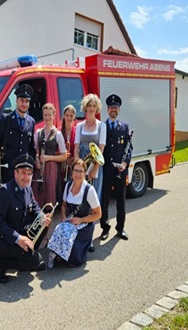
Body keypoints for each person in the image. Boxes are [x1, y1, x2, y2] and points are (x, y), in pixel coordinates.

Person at [0, 153, 52, 283]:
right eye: (23, 173)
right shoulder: (5, 191)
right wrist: (18, 239)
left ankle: (25, 254)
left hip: (21, 232)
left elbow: (34, 206)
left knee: (43, 225)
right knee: (36, 262)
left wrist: (42, 217)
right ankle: (0, 263)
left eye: (29, 174)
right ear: (15, 173)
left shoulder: (27, 188)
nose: (27, 177)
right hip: (4, 240)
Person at [47, 159, 101, 267]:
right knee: (60, 229)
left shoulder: (89, 190)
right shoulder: (68, 186)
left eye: (81, 171)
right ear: (72, 172)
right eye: (75, 170)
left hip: (84, 226)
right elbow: (63, 206)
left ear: (85, 173)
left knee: (72, 260)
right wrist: (63, 218)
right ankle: (58, 254)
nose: (77, 174)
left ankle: (67, 255)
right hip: (69, 222)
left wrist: (81, 220)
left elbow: (98, 214)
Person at [74, 94, 106, 252]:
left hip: (94, 166)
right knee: (80, 203)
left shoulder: (102, 126)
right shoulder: (79, 126)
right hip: (80, 166)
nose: (91, 108)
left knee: (92, 204)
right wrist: (76, 167)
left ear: (97, 108)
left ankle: (90, 239)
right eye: (89, 105)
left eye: (94, 106)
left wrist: (94, 169)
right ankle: (78, 235)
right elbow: (76, 148)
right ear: (85, 107)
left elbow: (101, 150)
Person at [0, 84, 36, 183]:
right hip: (8, 171)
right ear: (16, 100)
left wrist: (32, 167)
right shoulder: (6, 119)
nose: (24, 104)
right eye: (22, 100)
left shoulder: (31, 122)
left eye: (27, 101)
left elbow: (31, 148)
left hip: (24, 173)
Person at [100, 94, 132, 241]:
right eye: (111, 107)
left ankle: (120, 228)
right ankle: (105, 228)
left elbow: (129, 147)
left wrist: (125, 164)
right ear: (107, 109)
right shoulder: (103, 126)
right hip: (106, 169)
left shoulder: (124, 127)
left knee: (121, 201)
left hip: (120, 170)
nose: (113, 109)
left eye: (115, 107)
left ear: (119, 109)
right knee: (104, 200)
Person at [32, 103, 67, 206]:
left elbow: (64, 156)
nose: (47, 117)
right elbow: (34, 150)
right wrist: (37, 160)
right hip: (39, 168)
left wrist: (48, 158)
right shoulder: (38, 132)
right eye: (45, 115)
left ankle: (49, 221)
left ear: (54, 115)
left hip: (51, 168)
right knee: (37, 195)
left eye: (49, 115)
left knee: (49, 198)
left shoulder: (58, 134)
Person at [60, 104, 77, 184]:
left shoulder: (77, 131)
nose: (69, 118)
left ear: (74, 117)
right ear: (63, 116)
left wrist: (73, 159)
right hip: (60, 166)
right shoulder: (58, 132)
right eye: (67, 115)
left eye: (71, 116)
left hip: (72, 167)